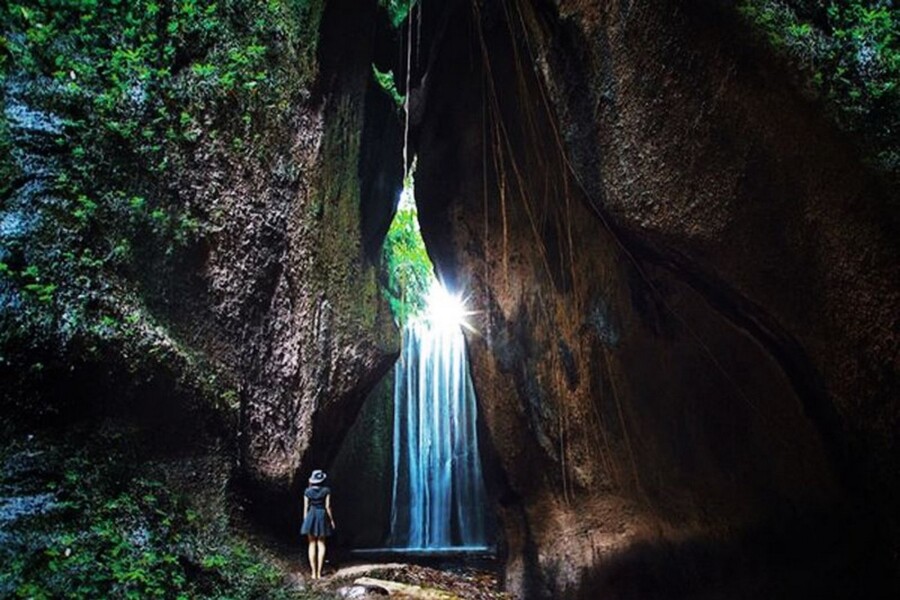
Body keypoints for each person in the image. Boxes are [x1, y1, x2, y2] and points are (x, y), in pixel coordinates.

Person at [300, 469, 335, 579]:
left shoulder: (307, 491)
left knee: (311, 544)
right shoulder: (326, 491)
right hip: (321, 515)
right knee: (321, 543)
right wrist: (332, 520)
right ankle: (319, 573)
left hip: (311, 515)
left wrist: (306, 520)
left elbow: (305, 507)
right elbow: (327, 506)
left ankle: (313, 573)